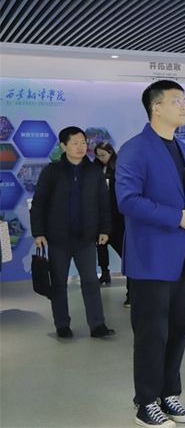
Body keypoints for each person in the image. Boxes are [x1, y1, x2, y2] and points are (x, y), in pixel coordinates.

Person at [116, 80, 185, 428]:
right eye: (177, 101)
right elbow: (128, 200)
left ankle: (169, 393)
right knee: (152, 332)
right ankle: (145, 402)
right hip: (150, 259)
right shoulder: (135, 149)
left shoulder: (183, 149)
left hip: (182, 257)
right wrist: (177, 218)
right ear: (156, 107)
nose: (184, 106)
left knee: (179, 326)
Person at [30, 126, 115, 339]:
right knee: (59, 283)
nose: (80, 147)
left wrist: (105, 229)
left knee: (91, 281)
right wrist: (38, 233)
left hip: (85, 238)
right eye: (75, 143)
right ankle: (62, 325)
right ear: (63, 146)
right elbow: (39, 204)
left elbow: (104, 203)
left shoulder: (94, 171)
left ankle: (97, 325)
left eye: (83, 142)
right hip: (58, 239)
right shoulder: (52, 172)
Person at [94, 141, 132, 307]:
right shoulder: (94, 169)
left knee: (127, 256)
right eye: (98, 155)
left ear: (111, 153)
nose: (100, 158)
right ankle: (104, 273)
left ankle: (132, 292)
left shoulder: (120, 168)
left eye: (103, 155)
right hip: (100, 219)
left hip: (118, 219)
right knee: (101, 248)